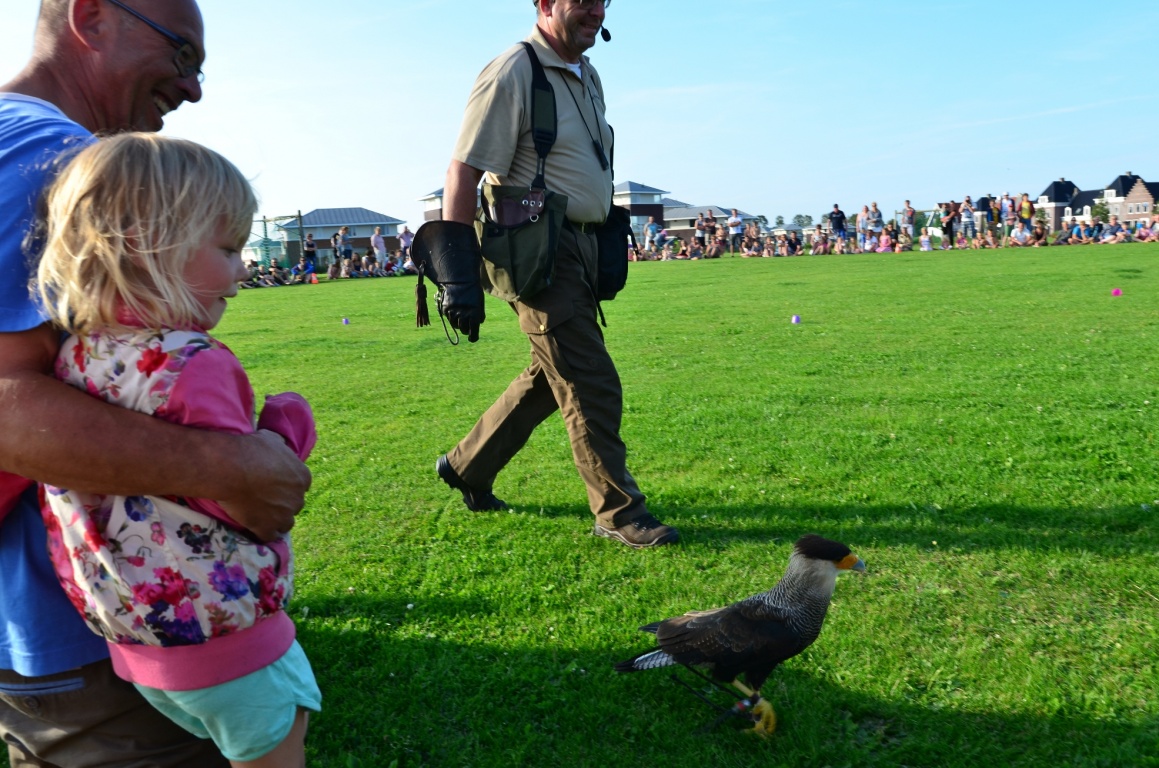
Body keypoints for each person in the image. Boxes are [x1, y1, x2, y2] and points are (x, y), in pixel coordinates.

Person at [0, 1, 309, 765]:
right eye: (181, 54)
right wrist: (237, 467)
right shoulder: (63, 164)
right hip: (112, 628)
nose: (193, 88)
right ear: (92, 16)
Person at [429, 0, 678, 549]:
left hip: (583, 245)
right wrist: (457, 272)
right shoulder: (514, 69)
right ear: (543, 4)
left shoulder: (587, 74)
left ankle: (468, 466)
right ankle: (618, 511)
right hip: (537, 248)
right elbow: (463, 170)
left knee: (553, 372)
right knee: (589, 380)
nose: (595, 9)